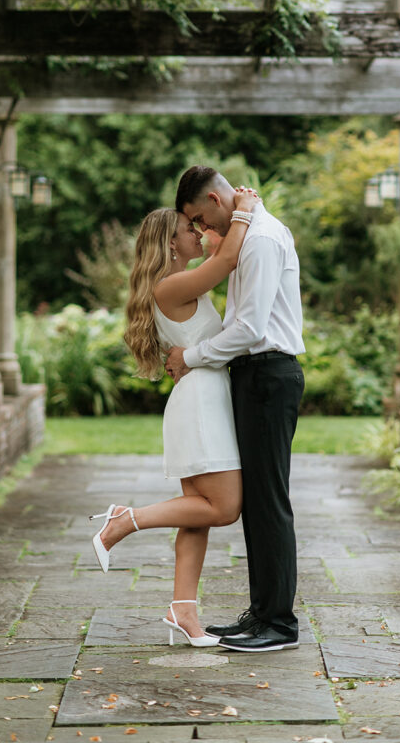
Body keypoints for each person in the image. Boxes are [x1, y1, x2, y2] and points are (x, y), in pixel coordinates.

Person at [88, 188, 260, 647]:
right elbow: (225, 262)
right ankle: (127, 518)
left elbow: (222, 250)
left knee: (197, 517)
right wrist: (243, 210)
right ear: (169, 242)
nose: (200, 233)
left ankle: (183, 610)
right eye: (190, 228)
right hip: (202, 403)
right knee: (223, 509)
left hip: (199, 398)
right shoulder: (171, 285)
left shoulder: (176, 280)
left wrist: (235, 216)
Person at [166, 166, 305, 653]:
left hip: (269, 374)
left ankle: (279, 625)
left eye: (199, 218)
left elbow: (248, 327)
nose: (201, 229)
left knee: (269, 502)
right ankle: (262, 612)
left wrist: (190, 357)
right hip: (252, 377)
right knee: (257, 506)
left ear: (213, 198)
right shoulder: (244, 235)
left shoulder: (262, 238)